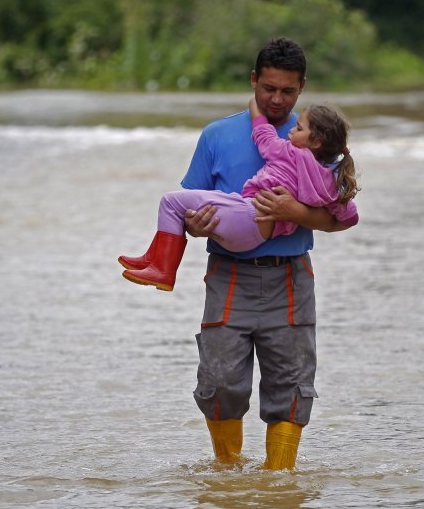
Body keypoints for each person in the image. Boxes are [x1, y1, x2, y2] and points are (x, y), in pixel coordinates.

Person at [132, 38, 353, 470]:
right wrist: (195, 228)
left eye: (287, 91)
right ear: (254, 80)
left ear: (302, 88)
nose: (276, 99)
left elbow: (340, 217)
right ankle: (227, 478)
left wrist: (295, 212)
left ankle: (279, 486)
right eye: (268, 87)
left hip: (290, 277)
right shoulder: (216, 135)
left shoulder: (318, 137)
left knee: (290, 387)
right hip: (228, 274)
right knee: (219, 382)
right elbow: (189, 208)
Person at [118, 96, 359, 291]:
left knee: (171, 202)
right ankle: (155, 258)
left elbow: (263, 135)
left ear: (315, 142)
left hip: (247, 217)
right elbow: (349, 216)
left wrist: (255, 108)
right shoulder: (329, 179)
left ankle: (163, 269)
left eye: (298, 128)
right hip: (257, 231)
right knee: (198, 203)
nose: (290, 132)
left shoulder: (290, 152)